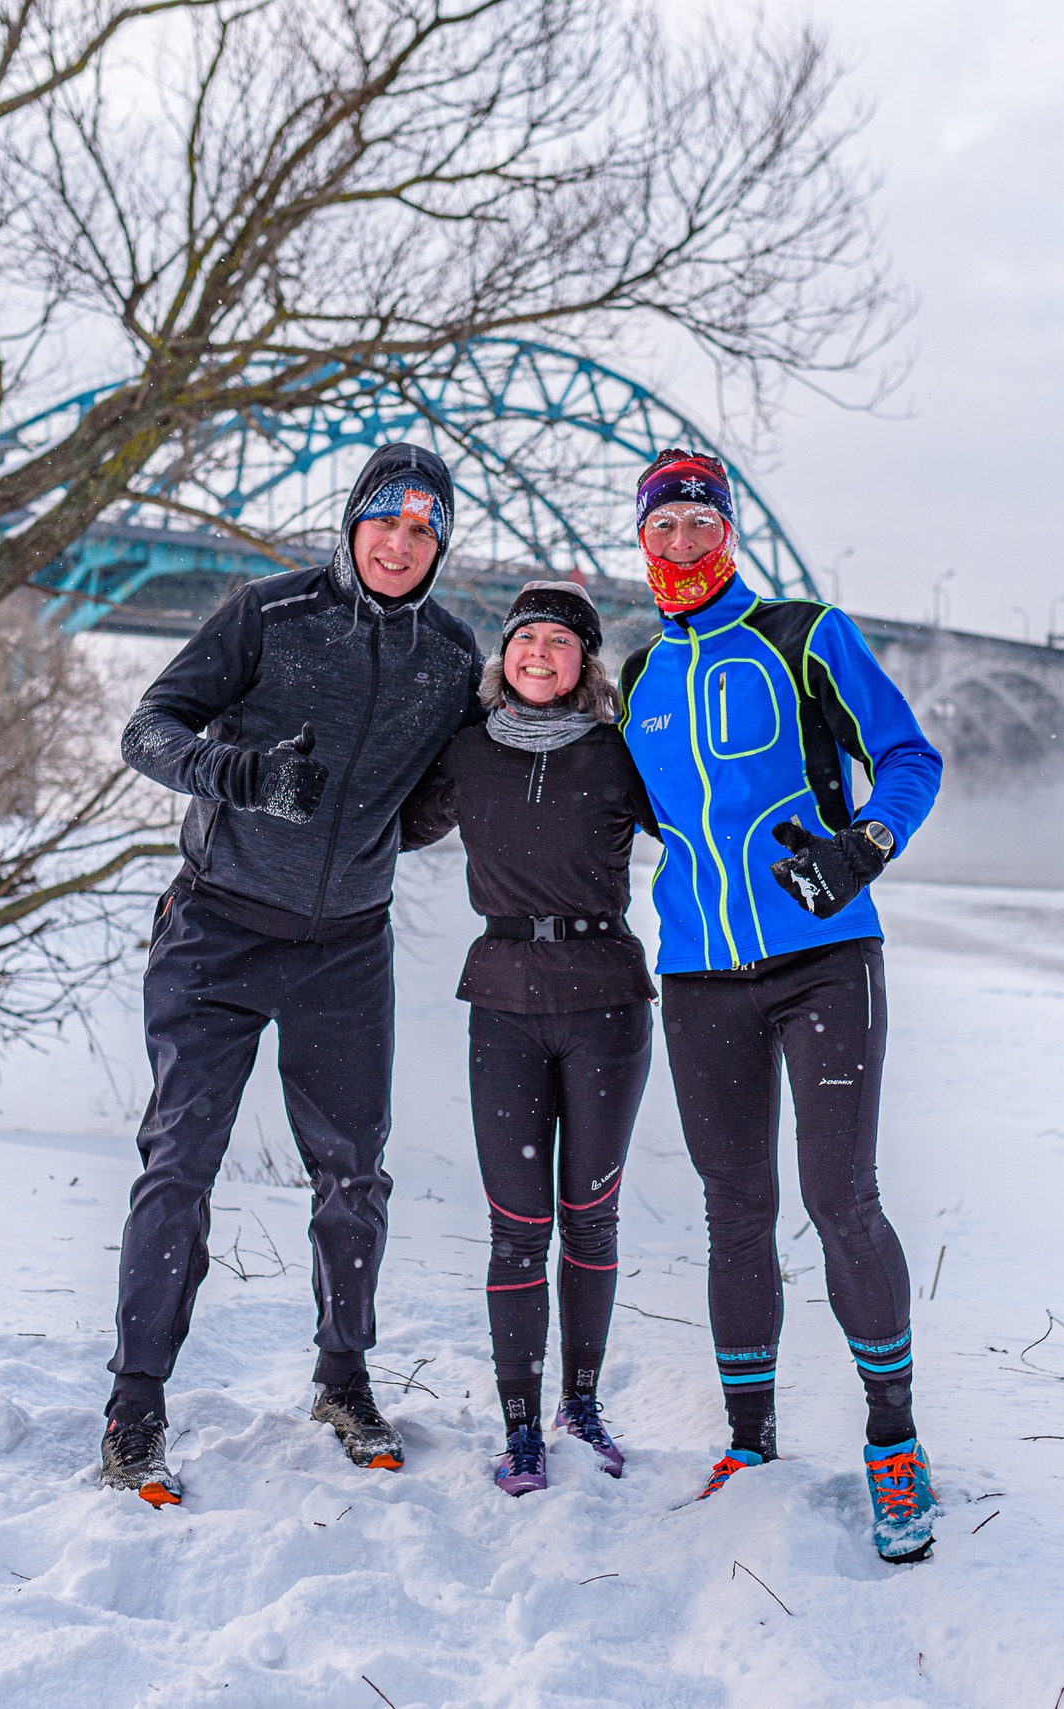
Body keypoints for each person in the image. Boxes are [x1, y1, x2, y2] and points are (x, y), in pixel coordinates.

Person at [100, 444, 483, 1506]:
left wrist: (409, 821)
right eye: (386, 523)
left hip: (346, 945)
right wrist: (240, 774)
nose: (402, 544)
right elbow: (148, 729)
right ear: (352, 523)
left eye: (424, 530)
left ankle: (344, 1378)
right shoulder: (266, 617)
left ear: (439, 546)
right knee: (180, 1163)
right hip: (216, 927)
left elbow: (429, 802)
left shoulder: (451, 657)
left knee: (353, 1172)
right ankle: (136, 1406)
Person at [614, 448, 946, 1562]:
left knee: (839, 1196)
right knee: (733, 1206)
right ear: (642, 538)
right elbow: (654, 820)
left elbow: (908, 753)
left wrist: (864, 845)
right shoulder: (637, 675)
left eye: (699, 527)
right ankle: (749, 1441)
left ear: (727, 533)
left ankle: (893, 1442)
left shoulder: (804, 635)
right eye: (662, 529)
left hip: (823, 960)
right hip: (701, 975)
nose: (681, 547)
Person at [401, 581, 655, 1496]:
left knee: (590, 1216)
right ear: (501, 655)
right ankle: (520, 1428)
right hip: (504, 1001)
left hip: (608, 1003)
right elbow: (389, 822)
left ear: (586, 663)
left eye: (560, 641)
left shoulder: (618, 753)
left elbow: (705, 823)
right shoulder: (467, 753)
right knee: (518, 1227)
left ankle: (580, 1405)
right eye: (525, 639)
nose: (539, 653)